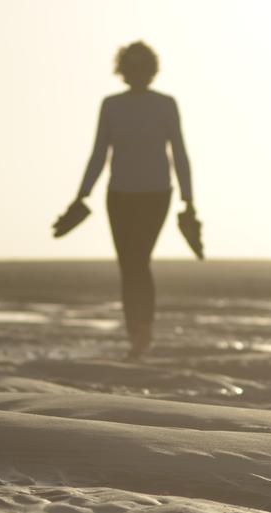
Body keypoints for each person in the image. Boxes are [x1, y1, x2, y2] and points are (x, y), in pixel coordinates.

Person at [55, 41, 202, 360]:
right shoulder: (111, 105)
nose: (136, 73)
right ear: (122, 70)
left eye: (141, 67)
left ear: (150, 70)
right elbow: (99, 153)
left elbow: (179, 152)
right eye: (131, 67)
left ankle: (142, 332)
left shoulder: (166, 104)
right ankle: (135, 332)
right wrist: (81, 196)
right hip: (119, 193)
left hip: (156, 193)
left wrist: (189, 200)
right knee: (128, 265)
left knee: (138, 261)